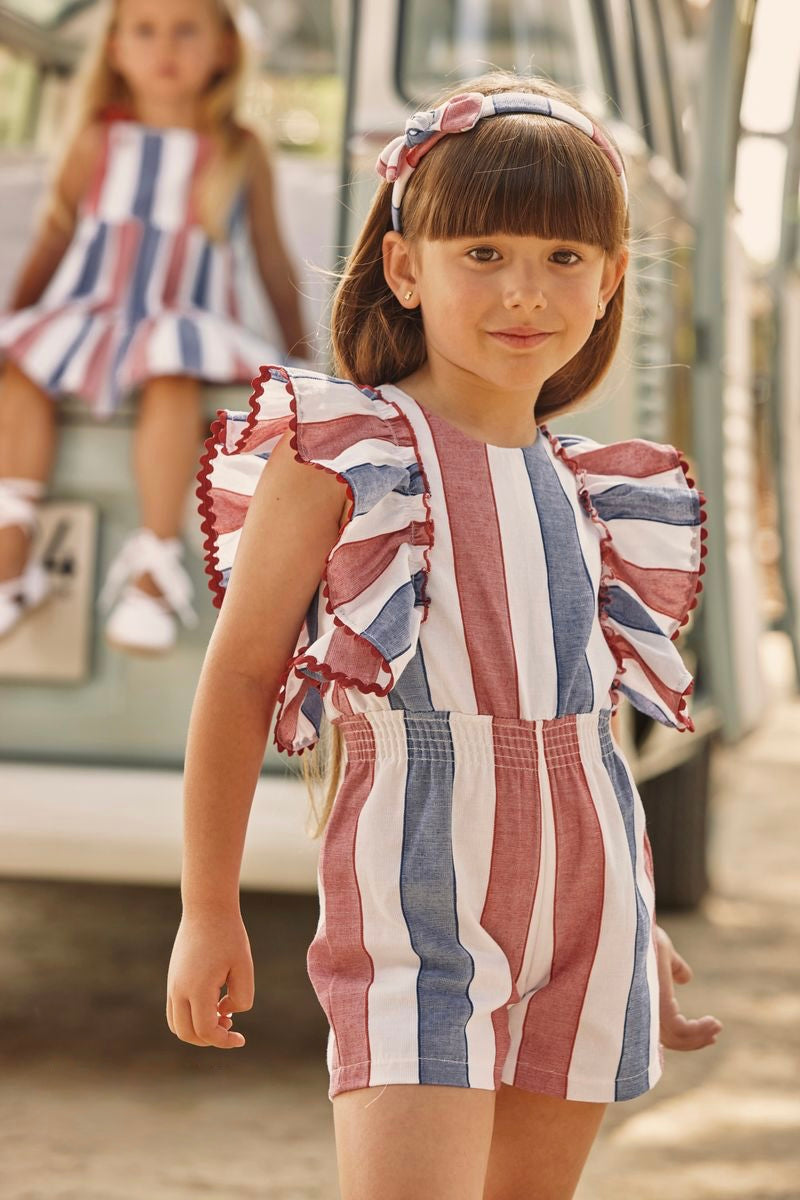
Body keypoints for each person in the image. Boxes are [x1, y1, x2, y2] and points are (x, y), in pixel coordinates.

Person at [166, 74, 723, 1200]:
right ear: (404, 268)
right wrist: (207, 905)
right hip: (413, 904)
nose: (525, 291)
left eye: (564, 258)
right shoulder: (346, 451)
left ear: (611, 279)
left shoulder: (591, 489)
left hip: (591, 908)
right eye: (483, 254)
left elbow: (590, 732)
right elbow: (236, 680)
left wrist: (640, 923)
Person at [0, 0, 310, 653]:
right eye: (144, 30)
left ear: (224, 48)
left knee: (172, 380)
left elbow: (272, 255)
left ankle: (152, 567)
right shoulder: (95, 138)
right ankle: (11, 549)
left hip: (182, 316)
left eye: (185, 30)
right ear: (115, 48)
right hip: (95, 309)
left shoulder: (238, 148)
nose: (164, 47)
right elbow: (54, 239)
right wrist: (15, 319)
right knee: (23, 370)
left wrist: (301, 359)